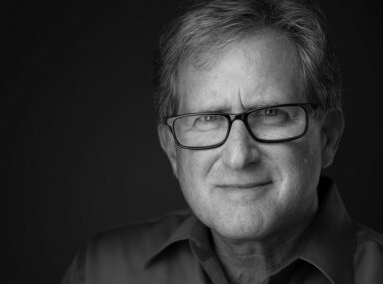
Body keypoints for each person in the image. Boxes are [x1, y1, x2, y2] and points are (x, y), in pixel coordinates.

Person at [61, 0, 383, 283]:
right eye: (208, 119)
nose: (238, 157)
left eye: (270, 113)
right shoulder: (99, 272)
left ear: (328, 137)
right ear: (172, 148)